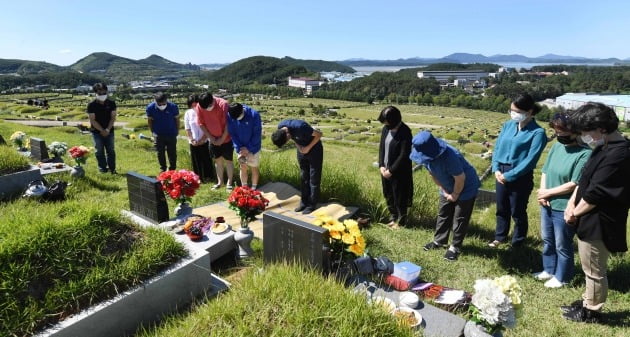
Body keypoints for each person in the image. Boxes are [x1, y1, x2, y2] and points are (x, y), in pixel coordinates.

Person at [560, 102, 629, 323]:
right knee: (588, 263)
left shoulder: (620, 154)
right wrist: (572, 203)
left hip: (600, 220)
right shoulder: (603, 146)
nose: (583, 136)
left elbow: (596, 193)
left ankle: (592, 311)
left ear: (601, 129)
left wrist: (574, 213)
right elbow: (584, 179)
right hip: (586, 216)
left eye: (585, 132)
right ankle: (587, 301)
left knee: (594, 269)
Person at [534, 112, 591, 288]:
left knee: (562, 243)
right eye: (556, 132)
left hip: (563, 205)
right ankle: (549, 269)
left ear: (575, 132)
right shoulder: (557, 147)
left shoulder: (584, 154)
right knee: (548, 239)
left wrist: (547, 193)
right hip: (548, 202)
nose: (559, 136)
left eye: (562, 133)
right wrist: (543, 192)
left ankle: (563, 276)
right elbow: (545, 170)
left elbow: (574, 183)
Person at [489, 93, 547, 248]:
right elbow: (497, 148)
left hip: (520, 175)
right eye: (511, 110)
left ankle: (518, 242)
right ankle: (499, 237)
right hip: (501, 171)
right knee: (501, 208)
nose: (513, 114)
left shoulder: (537, 133)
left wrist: (510, 175)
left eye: (517, 111)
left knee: (518, 211)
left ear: (528, 112)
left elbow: (530, 160)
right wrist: (495, 169)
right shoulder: (508, 125)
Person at [411, 131, 480, 260]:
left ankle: (455, 247)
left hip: (466, 186)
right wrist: (444, 190)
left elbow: (460, 178)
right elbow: (433, 174)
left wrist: (455, 194)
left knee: (460, 217)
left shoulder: (450, 156)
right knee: (443, 213)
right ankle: (439, 241)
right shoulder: (424, 156)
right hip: (447, 185)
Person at [271, 119, 323, 214]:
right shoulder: (281, 127)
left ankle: (311, 205)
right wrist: (300, 148)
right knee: (304, 177)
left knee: (314, 178)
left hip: (314, 149)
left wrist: (307, 148)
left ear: (287, 134)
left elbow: (319, 134)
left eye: (287, 140)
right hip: (302, 149)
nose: (288, 141)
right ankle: (303, 202)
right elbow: (294, 139)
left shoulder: (300, 126)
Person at [377, 106, 413, 229]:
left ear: (394, 120)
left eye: (387, 122)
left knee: (400, 197)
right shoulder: (386, 129)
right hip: (385, 169)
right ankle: (393, 217)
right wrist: (381, 165)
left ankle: (401, 222)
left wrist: (391, 170)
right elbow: (382, 148)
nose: (385, 124)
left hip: (399, 172)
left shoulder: (405, 131)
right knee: (388, 194)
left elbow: (404, 155)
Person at [196, 92, 234, 190]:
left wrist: (222, 138)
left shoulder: (223, 104)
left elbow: (228, 124)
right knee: (217, 161)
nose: (206, 110)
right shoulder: (199, 106)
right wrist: (210, 138)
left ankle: (229, 183)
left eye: (208, 107)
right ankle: (220, 182)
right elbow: (201, 123)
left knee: (228, 161)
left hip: (226, 138)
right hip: (212, 139)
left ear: (212, 101)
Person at [227, 103, 262, 190]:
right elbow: (232, 133)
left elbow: (257, 134)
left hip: (253, 147)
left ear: (242, 111)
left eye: (239, 117)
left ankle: (253, 188)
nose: (237, 120)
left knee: (254, 167)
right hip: (240, 148)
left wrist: (248, 148)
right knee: (243, 167)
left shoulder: (254, 115)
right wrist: (239, 148)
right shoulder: (230, 115)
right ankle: (244, 188)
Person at [184, 94, 215, 183]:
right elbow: (187, 128)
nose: (194, 107)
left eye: (195, 105)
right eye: (192, 105)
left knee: (206, 159)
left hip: (204, 140)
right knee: (196, 161)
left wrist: (202, 139)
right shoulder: (188, 113)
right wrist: (192, 139)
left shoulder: (204, 112)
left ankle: (209, 176)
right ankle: (198, 178)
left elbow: (208, 127)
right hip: (193, 141)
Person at [87, 82, 117, 174]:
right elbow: (93, 120)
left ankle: (112, 169)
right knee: (99, 150)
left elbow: (113, 118)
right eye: (100, 93)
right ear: (95, 93)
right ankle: (102, 169)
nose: (102, 95)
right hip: (96, 132)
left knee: (110, 150)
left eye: (104, 93)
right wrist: (102, 130)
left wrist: (107, 129)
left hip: (109, 131)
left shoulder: (111, 103)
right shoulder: (91, 105)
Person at [146, 92, 179, 172]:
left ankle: (172, 169)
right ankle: (163, 169)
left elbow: (176, 120)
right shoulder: (150, 108)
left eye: (163, 104)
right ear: (155, 101)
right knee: (160, 153)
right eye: (159, 105)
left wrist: (177, 130)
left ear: (166, 100)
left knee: (172, 153)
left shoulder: (173, 107)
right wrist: (152, 132)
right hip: (158, 134)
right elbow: (150, 121)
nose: (162, 106)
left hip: (171, 133)